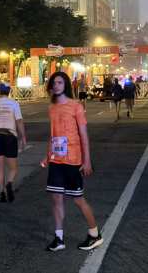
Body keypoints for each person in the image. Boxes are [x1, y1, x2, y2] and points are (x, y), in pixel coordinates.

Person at [41, 71, 102, 252]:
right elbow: (52, 135)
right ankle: (59, 238)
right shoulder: (51, 108)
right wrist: (47, 156)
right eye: (54, 83)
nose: (56, 86)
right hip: (56, 160)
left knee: (78, 199)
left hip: (73, 160)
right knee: (56, 198)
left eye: (60, 82)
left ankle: (95, 234)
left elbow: (84, 135)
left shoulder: (76, 106)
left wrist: (87, 161)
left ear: (65, 85)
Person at [0, 83, 27, 202]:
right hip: (10, 136)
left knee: (0, 168)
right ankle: (9, 183)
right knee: (13, 168)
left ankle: (1, 193)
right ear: (8, 92)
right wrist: (23, 137)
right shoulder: (14, 104)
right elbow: (19, 121)